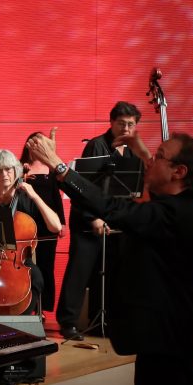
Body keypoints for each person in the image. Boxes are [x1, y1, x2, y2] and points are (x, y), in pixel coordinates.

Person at [27, 128, 193, 385]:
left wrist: (59, 166)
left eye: (159, 157)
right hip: (180, 334)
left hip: (166, 340)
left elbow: (113, 209)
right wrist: (143, 152)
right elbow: (149, 202)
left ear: (179, 171)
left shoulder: (172, 214)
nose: (150, 161)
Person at [56, 101, 140, 341]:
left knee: (107, 273)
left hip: (113, 221)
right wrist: (93, 218)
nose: (126, 128)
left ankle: (99, 322)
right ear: (111, 122)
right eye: (121, 123)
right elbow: (82, 187)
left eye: (130, 124)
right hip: (87, 219)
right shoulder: (97, 145)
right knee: (79, 272)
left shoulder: (131, 152)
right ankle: (68, 322)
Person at [0, 150, 63, 315]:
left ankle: (21, 320)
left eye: (8, 169)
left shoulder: (26, 198)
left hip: (18, 261)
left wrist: (35, 196)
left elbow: (56, 227)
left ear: (16, 171)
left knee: (37, 278)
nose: (4, 174)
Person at [20, 132, 66, 315]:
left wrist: (62, 222)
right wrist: (21, 175)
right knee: (26, 267)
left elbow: (57, 197)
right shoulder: (21, 166)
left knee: (47, 266)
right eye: (34, 142)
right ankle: (26, 305)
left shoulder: (50, 167)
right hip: (26, 223)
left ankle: (43, 309)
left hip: (48, 222)